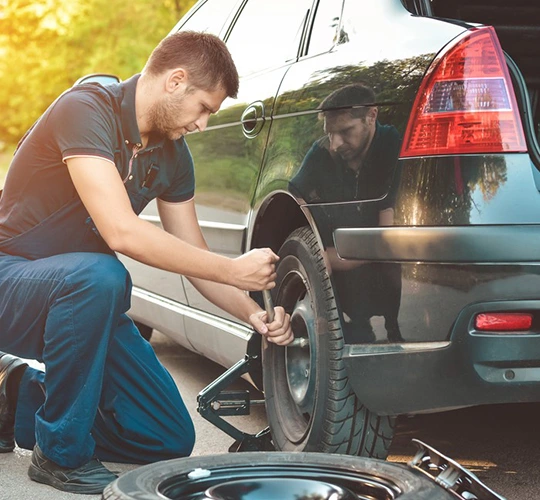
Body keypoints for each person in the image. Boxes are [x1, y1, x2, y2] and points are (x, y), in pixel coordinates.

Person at [0, 31, 293, 495]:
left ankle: (13, 398)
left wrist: (253, 313)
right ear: (175, 81)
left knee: (165, 436)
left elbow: (196, 258)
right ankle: (59, 454)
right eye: (204, 108)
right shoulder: (86, 109)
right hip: (11, 279)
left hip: (82, 304)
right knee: (103, 274)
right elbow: (121, 231)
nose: (202, 124)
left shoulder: (173, 157)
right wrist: (235, 269)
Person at [290, 83, 403, 343]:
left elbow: (385, 241)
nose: (336, 143)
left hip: (377, 261)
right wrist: (313, 244)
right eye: (331, 134)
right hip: (340, 256)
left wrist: (324, 257)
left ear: (372, 116)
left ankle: (393, 328)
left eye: (345, 132)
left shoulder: (391, 146)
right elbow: (294, 198)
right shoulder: (323, 151)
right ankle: (352, 326)